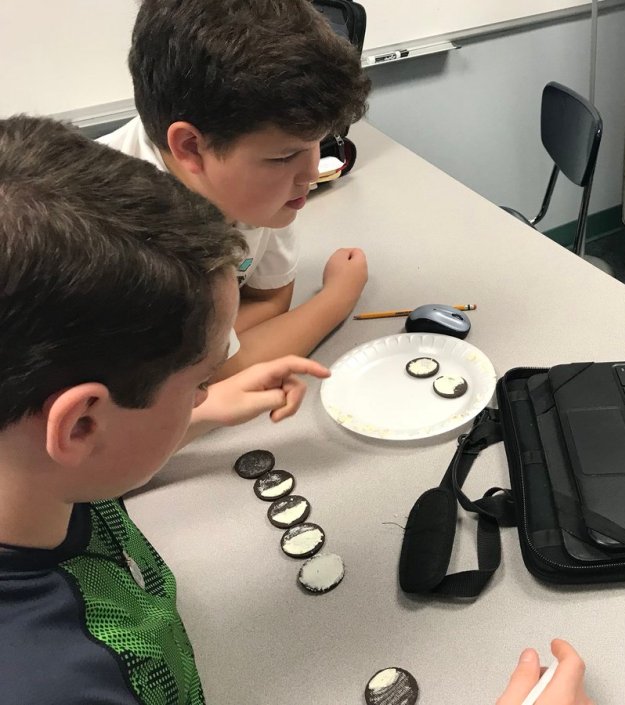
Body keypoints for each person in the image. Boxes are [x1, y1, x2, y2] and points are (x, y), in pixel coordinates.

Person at [0, 116, 594, 705]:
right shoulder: (59, 682)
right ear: (80, 425)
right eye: (200, 382)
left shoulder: (36, 470)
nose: (207, 393)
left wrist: (202, 412)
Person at [99, 0, 372, 381]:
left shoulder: (242, 177)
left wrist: (204, 351)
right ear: (191, 147)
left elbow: (271, 298)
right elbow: (212, 379)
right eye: (285, 156)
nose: (312, 172)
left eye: (318, 143)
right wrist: (336, 298)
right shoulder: (132, 245)